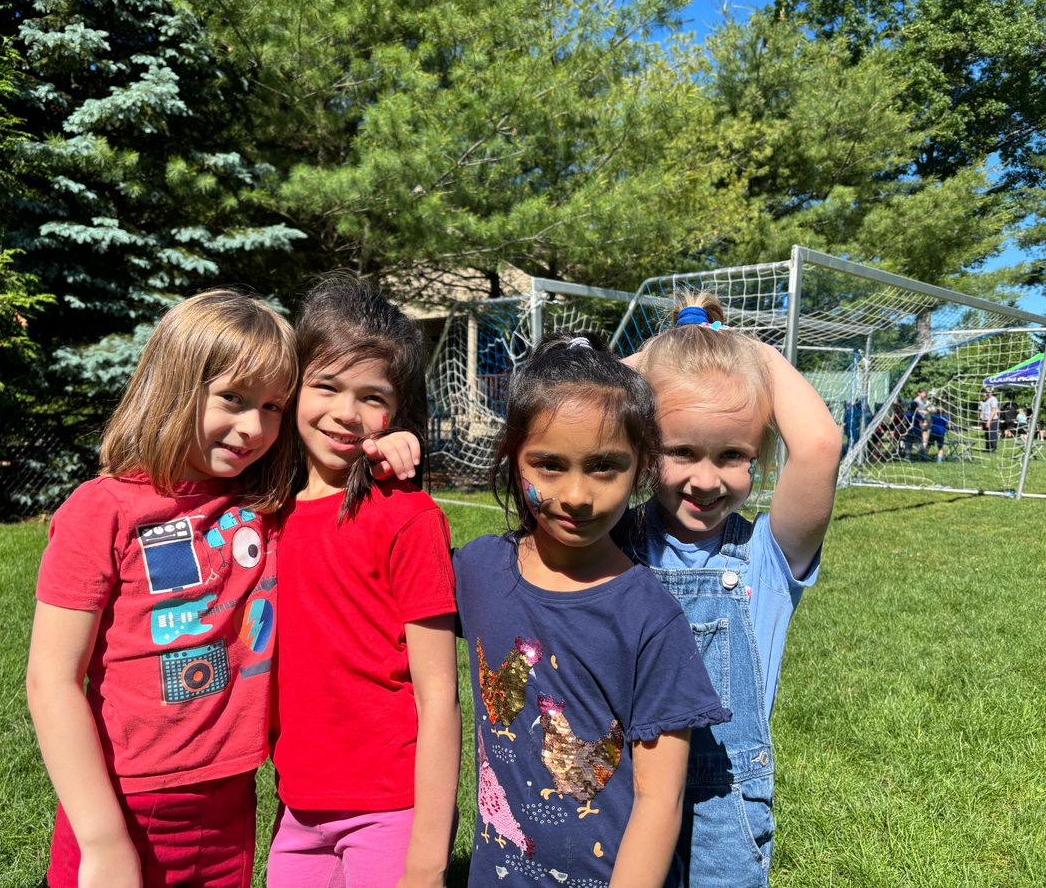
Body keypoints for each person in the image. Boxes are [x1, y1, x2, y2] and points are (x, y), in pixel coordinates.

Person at [27, 290, 300, 888]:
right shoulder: (100, 511)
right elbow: (52, 680)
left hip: (231, 798)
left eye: (274, 406)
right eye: (233, 398)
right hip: (125, 803)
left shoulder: (266, 504)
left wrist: (383, 448)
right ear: (175, 384)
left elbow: (341, 458)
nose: (254, 427)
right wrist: (101, 841)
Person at [453, 332, 731, 885]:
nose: (577, 495)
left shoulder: (650, 617)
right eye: (549, 464)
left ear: (643, 466)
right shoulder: (477, 570)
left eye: (604, 466)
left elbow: (660, 799)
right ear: (514, 461)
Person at [623, 294, 840, 886]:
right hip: (622, 789)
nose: (706, 479)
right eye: (680, 451)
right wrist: (662, 354)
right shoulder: (610, 539)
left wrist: (752, 355)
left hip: (726, 804)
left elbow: (820, 445)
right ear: (642, 448)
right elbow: (580, 414)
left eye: (733, 455)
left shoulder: (768, 555)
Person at [267, 273, 461, 887]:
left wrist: (428, 864)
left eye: (371, 398)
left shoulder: (407, 517)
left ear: (398, 410)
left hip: (390, 809)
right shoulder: (265, 510)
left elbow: (439, 697)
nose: (345, 414)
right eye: (325, 386)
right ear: (294, 389)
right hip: (297, 808)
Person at [980, 387, 999, 452]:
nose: (988, 393)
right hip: (985, 420)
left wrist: (989, 421)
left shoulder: (993, 399)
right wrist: (982, 421)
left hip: (992, 419)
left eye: (989, 392)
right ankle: (988, 448)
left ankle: (993, 448)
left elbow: (993, 411)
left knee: (992, 434)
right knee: (987, 435)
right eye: (986, 392)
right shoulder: (983, 400)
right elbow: (981, 411)